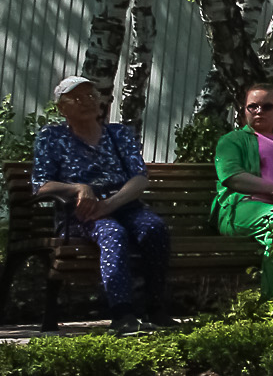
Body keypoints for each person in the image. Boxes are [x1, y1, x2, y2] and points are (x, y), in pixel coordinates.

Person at [30, 75, 171, 333]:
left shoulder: (118, 133)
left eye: (92, 95)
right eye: (77, 97)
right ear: (62, 108)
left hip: (123, 204)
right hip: (80, 214)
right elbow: (41, 185)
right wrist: (79, 188)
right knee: (112, 233)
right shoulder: (52, 137)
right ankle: (122, 314)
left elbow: (139, 178)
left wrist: (111, 204)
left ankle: (156, 306)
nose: (87, 101)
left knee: (153, 228)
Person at [212, 84, 273, 297]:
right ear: (243, 110)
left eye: (266, 107)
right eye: (252, 107)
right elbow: (232, 176)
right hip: (241, 208)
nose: (259, 111)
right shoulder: (232, 140)